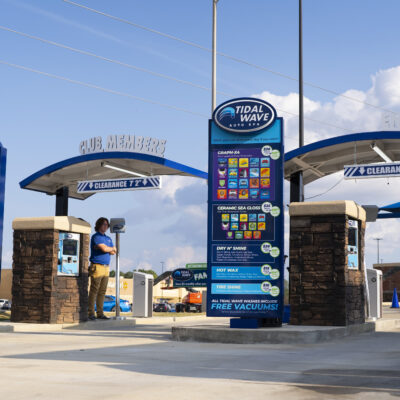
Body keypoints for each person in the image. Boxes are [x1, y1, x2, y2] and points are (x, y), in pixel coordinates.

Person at [88, 217, 116, 320]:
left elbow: (113, 252)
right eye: (104, 224)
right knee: (94, 290)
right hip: (97, 266)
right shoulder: (96, 237)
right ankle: (90, 312)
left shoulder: (108, 238)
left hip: (106, 267)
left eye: (107, 225)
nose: (106, 226)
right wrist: (110, 248)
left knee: (102, 291)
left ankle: (100, 313)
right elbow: (105, 249)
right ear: (99, 225)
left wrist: (110, 249)